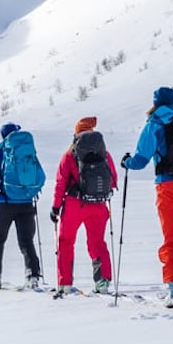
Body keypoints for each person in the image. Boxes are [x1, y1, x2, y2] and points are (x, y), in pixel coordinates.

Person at [120, 86, 173, 307]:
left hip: (168, 185)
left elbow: (141, 159)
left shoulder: (155, 123)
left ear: (156, 102)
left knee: (172, 237)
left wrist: (126, 162)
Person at [49, 116, 118, 295]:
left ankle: (65, 283)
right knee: (97, 243)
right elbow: (113, 179)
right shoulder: (104, 153)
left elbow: (60, 183)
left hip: (74, 205)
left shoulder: (70, 154)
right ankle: (102, 281)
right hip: (99, 205)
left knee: (66, 242)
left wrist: (56, 207)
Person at [0, 122, 44, 289]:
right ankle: (33, 276)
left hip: (6, 203)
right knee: (26, 241)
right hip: (26, 203)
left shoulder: (1, 153)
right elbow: (40, 175)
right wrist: (31, 192)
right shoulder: (28, 151)